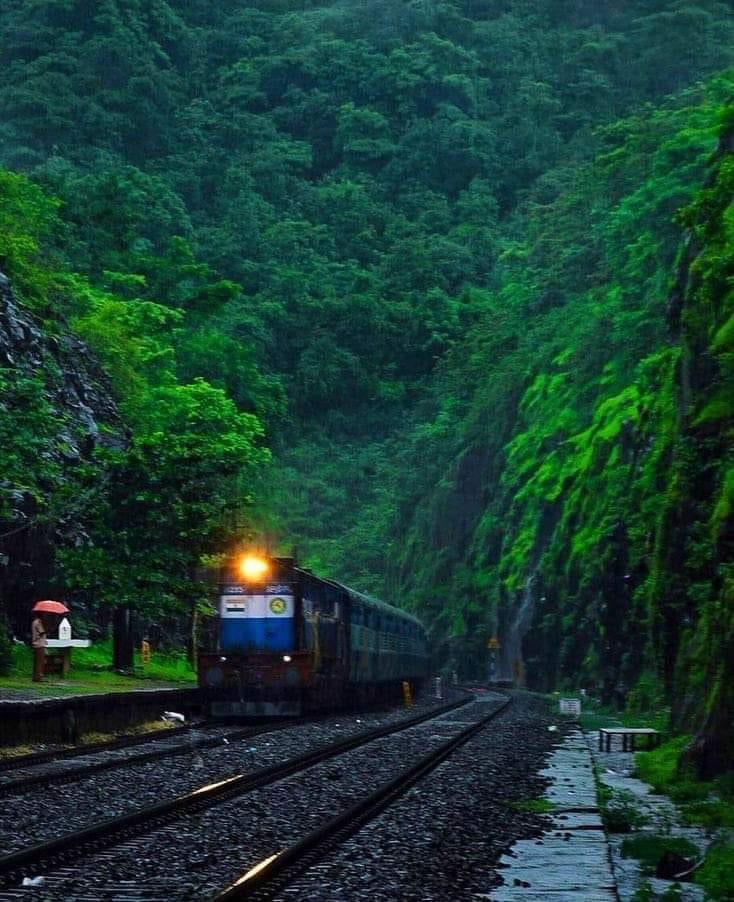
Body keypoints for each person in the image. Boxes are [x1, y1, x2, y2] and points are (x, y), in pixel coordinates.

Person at [31, 614, 47, 682]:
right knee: (40, 661)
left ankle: (36, 676)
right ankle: (38, 676)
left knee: (37, 661)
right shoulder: (38, 622)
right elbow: (42, 632)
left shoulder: (35, 621)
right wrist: (47, 629)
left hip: (36, 643)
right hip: (39, 643)